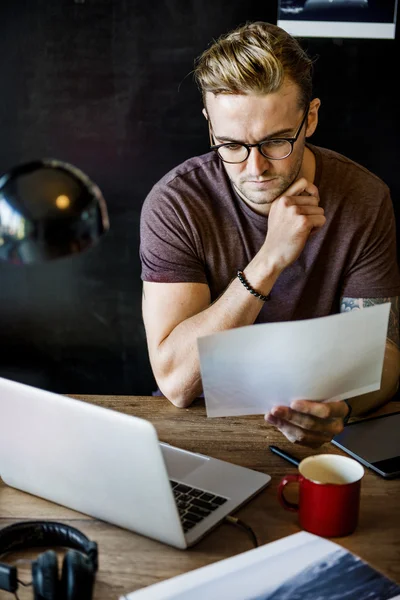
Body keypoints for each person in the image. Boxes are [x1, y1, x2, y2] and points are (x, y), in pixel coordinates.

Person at [140, 21, 400, 448]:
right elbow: (177, 382)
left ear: (310, 117)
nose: (254, 168)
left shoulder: (364, 199)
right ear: (209, 125)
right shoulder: (176, 204)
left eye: (276, 142)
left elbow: (384, 355)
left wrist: (344, 408)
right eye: (231, 145)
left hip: (323, 433)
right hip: (199, 428)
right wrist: (269, 260)